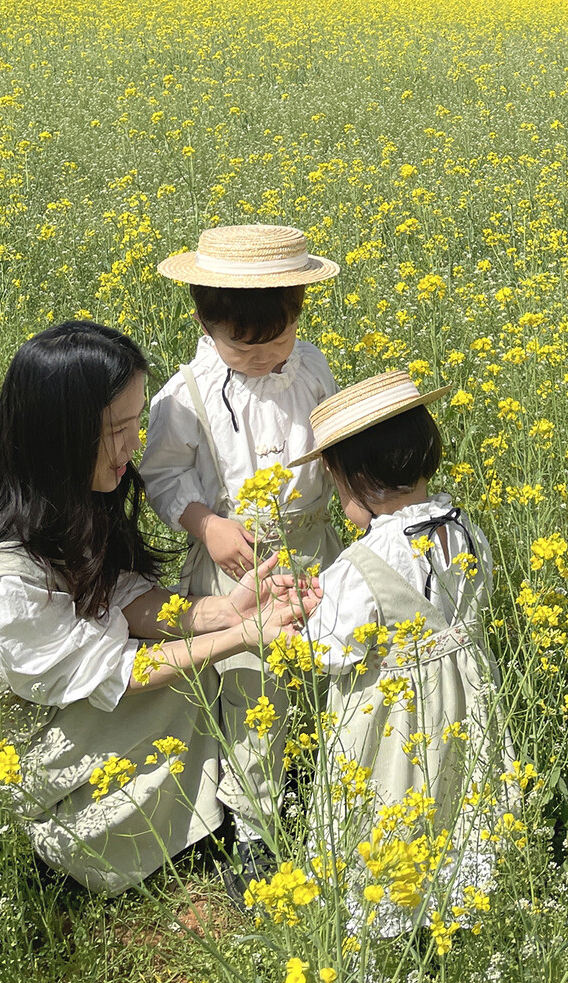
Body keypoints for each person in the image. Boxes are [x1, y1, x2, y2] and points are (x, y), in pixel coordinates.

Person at [0, 320, 317, 896]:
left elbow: (116, 594)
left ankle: (205, 806)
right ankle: (68, 847)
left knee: (197, 668)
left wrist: (223, 612)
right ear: (61, 437)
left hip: (49, 704)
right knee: (191, 684)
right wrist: (242, 636)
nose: (134, 446)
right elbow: (110, 672)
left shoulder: (63, 498)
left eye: (136, 422)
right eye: (117, 430)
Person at [141, 224, 342, 895]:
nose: (262, 359)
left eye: (276, 342)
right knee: (254, 691)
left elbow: (332, 440)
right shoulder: (184, 395)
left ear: (298, 315)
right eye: (243, 348)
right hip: (236, 569)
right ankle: (254, 828)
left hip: (313, 550)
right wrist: (207, 525)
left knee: (323, 670)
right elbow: (162, 476)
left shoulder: (311, 367)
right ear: (205, 323)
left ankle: (317, 782)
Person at [289, 370, 517, 930]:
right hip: (468, 696)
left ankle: (387, 917)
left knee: (392, 804)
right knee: (461, 794)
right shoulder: (464, 528)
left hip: (395, 716)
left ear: (353, 480)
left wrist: (301, 616)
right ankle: (463, 900)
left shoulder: (361, 565)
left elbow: (328, 651)